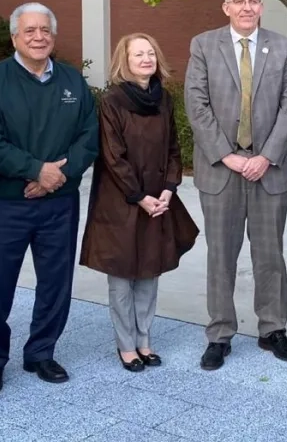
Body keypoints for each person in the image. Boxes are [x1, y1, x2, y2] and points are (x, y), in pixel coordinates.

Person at [0, 2, 99, 392]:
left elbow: (90, 136)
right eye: (30, 30)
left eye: (45, 30)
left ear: (54, 36)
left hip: (58, 203)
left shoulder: (73, 82)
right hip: (2, 204)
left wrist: (55, 176)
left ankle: (41, 352)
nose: (38, 36)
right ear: (14, 37)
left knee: (55, 283)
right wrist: (33, 169)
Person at [184, 0, 287, 371]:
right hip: (222, 172)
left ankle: (273, 329)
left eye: (254, 0)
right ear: (226, 7)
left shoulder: (282, 46)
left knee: (270, 255)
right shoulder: (203, 45)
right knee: (221, 256)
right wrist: (228, 156)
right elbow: (196, 105)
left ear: (261, 7)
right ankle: (219, 333)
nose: (248, 7)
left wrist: (265, 156)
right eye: (240, 1)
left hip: (268, 170)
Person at [79, 33, 199, 372]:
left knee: (149, 272)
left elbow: (174, 148)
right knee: (122, 277)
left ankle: (145, 340)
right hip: (121, 201)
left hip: (158, 200)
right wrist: (139, 196)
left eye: (150, 53)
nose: (146, 59)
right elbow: (113, 156)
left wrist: (169, 189)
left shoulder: (163, 100)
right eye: (138, 54)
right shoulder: (112, 101)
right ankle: (126, 345)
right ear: (125, 61)